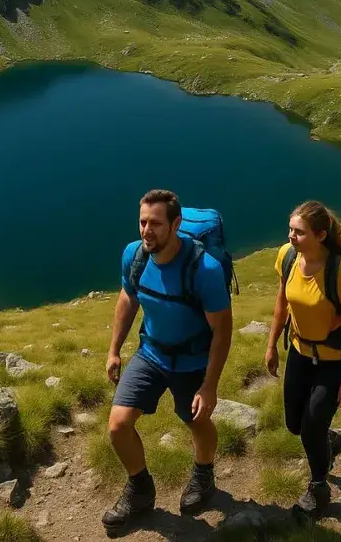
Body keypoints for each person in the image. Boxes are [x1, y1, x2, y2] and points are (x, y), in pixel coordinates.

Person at [103, 189, 234, 531]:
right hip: (151, 353)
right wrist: (114, 349)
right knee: (118, 425)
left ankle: (204, 474)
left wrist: (210, 386)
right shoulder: (135, 256)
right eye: (143, 222)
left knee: (196, 421)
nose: (147, 230)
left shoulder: (203, 269)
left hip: (192, 361)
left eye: (156, 224)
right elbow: (128, 299)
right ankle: (140, 488)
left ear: (176, 224)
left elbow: (222, 330)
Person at [265, 200, 341, 520]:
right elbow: (282, 302)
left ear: (320, 235)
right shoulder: (288, 256)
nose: (291, 236)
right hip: (299, 353)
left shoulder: (340, 270)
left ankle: (319, 487)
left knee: (310, 426)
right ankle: (329, 441)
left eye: (299, 232)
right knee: (295, 424)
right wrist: (271, 346)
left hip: (333, 362)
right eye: (291, 230)